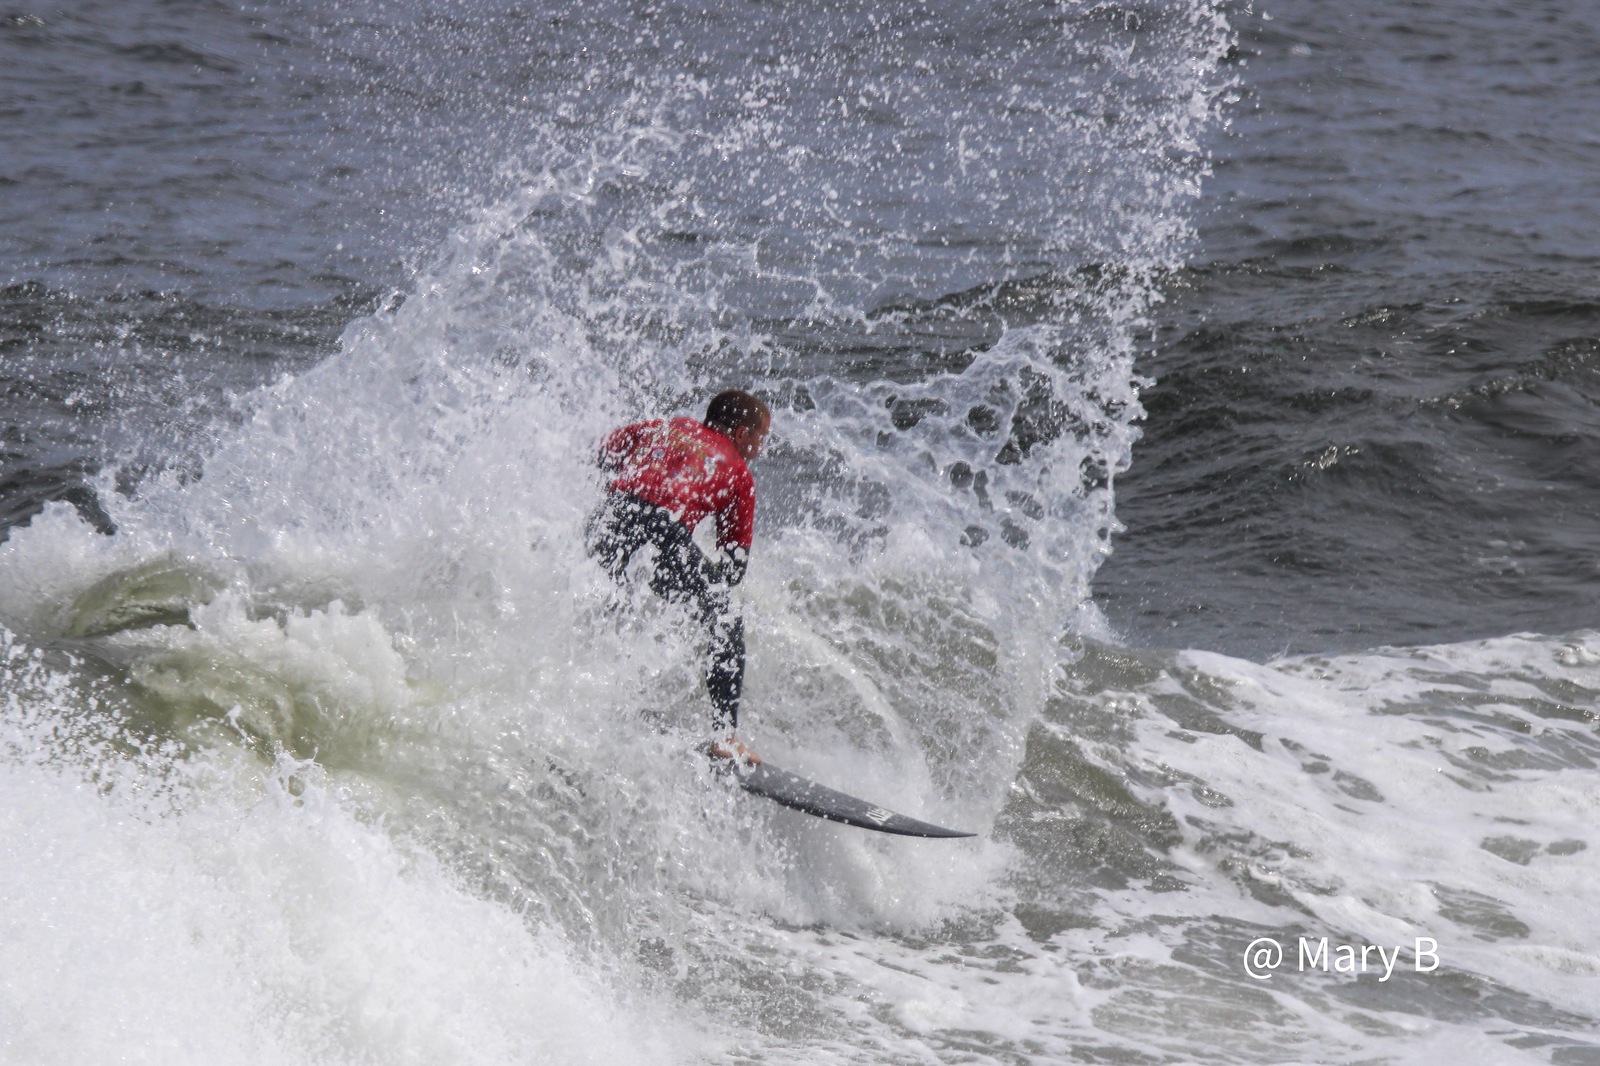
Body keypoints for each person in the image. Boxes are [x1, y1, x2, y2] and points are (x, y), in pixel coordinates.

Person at [586, 389, 771, 763]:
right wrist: (699, 585)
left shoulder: (666, 427)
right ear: (739, 434)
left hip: (606, 519)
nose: (761, 447)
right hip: (660, 530)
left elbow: (601, 453)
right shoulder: (737, 470)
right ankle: (725, 737)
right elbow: (733, 567)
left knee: (606, 603)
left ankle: (594, 691)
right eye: (760, 437)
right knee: (726, 618)